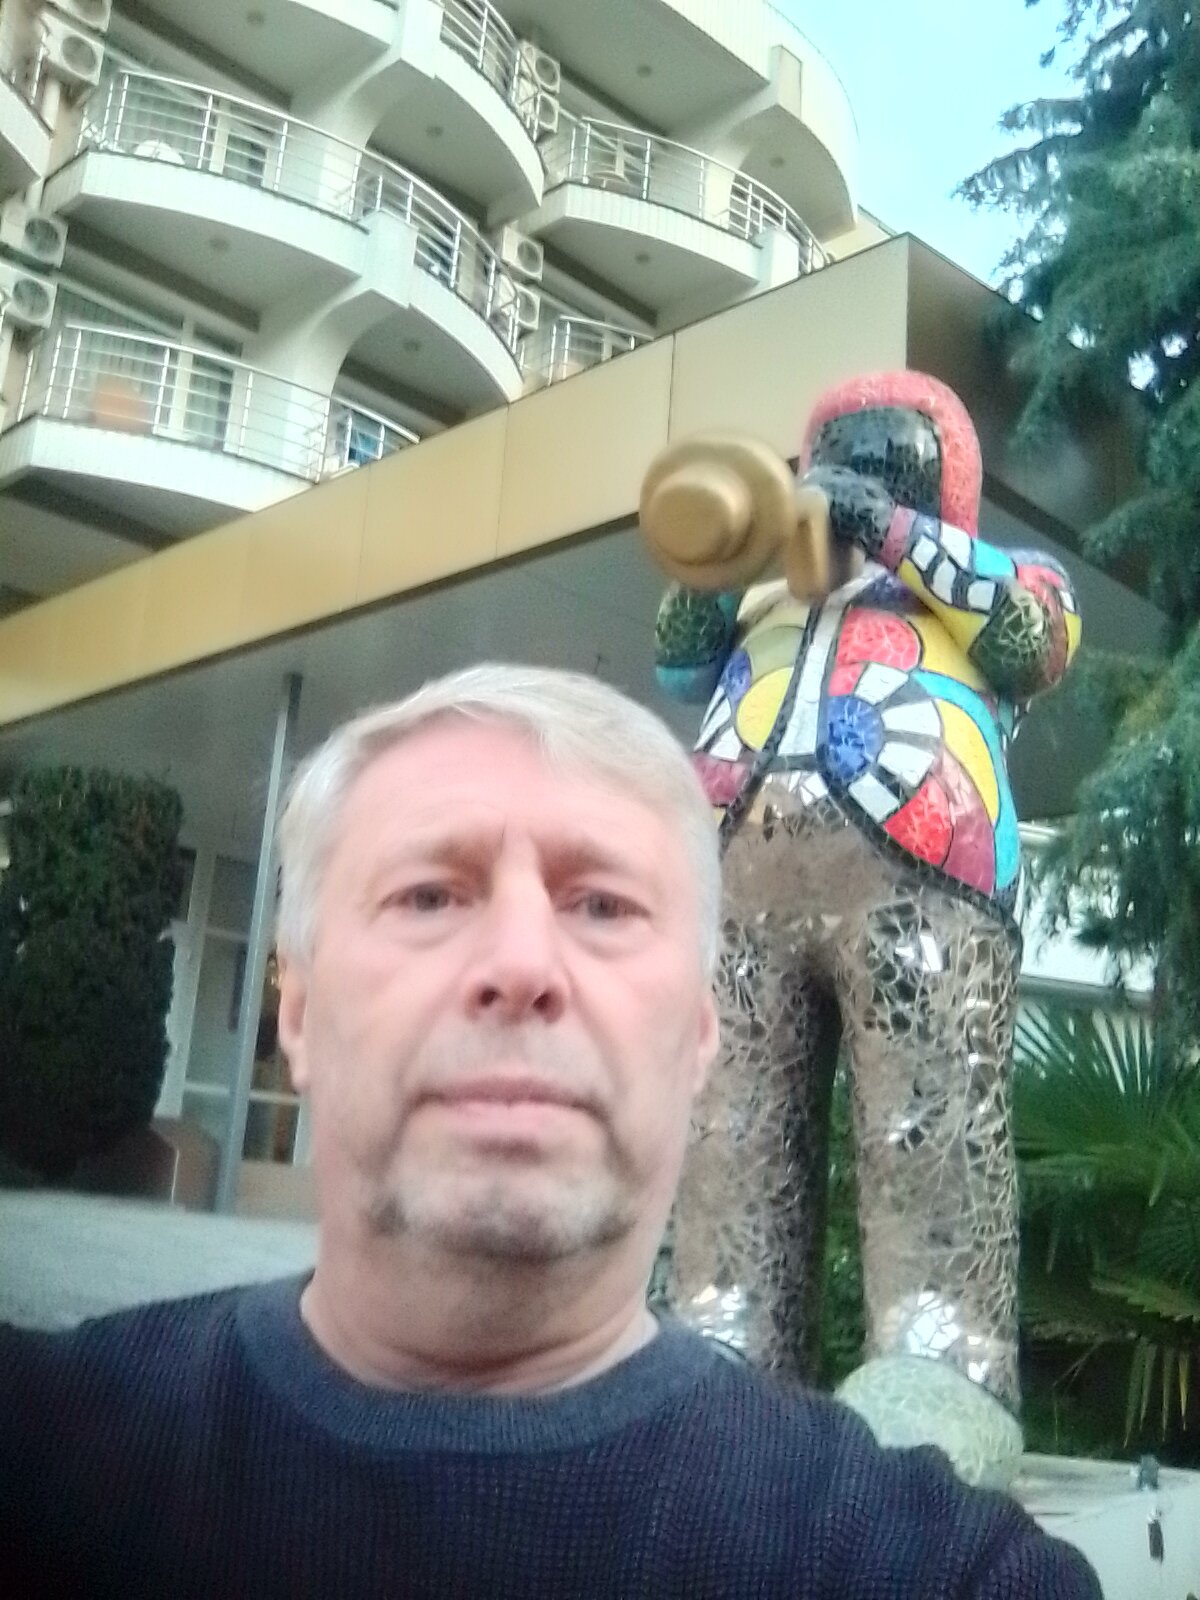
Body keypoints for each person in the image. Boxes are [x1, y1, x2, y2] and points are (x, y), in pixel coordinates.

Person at [0, 664, 1100, 1599]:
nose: (521, 963)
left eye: (603, 905)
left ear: (701, 1034)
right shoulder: (40, 1457)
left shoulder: (927, 1570)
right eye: (430, 895)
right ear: (296, 1014)